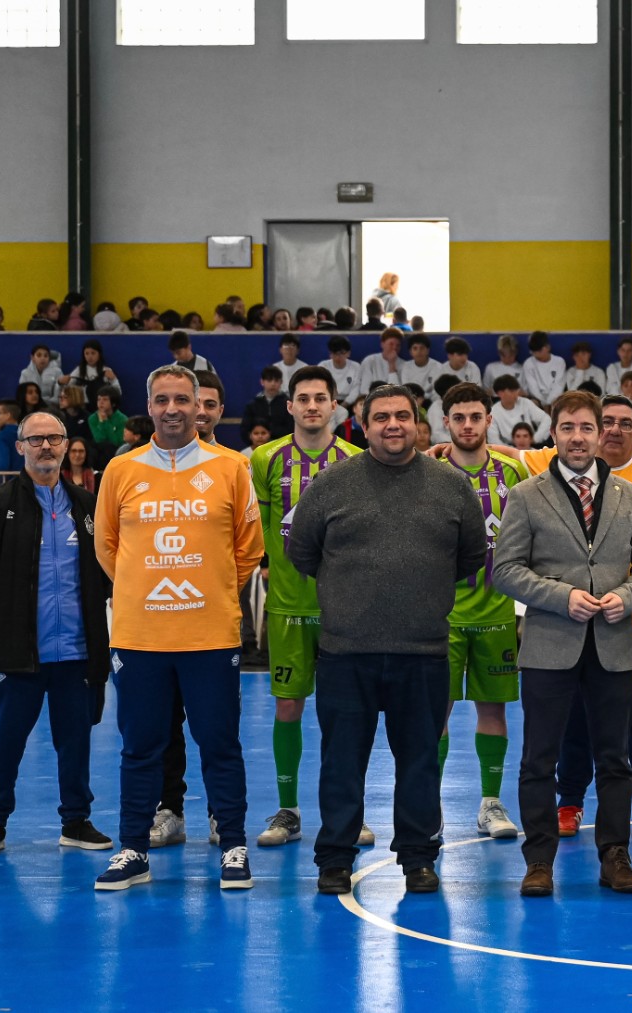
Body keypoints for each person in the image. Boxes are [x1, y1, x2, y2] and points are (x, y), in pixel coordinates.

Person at [288, 385, 485, 895]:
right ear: (363, 423)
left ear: (419, 424)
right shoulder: (332, 484)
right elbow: (302, 551)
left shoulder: (451, 486)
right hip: (344, 653)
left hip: (422, 653)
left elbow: (469, 557)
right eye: (381, 417)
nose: (392, 425)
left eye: (402, 416)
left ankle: (419, 858)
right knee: (341, 762)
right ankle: (334, 857)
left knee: (419, 761)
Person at [93, 364, 264, 891]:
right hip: (139, 636)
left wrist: (209, 589)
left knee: (220, 744)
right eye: (162, 400)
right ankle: (133, 850)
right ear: (149, 407)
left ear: (200, 407)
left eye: (182, 400)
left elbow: (248, 547)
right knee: (139, 746)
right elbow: (106, 547)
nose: (172, 409)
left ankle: (233, 846)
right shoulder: (121, 470)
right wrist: (147, 588)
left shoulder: (232, 466)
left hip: (209, 635)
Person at [492, 390, 632, 897]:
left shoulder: (630, 496)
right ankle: (539, 861)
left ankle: (615, 855)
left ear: (600, 434)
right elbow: (505, 571)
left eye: (587, 428)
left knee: (615, 758)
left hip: (613, 644)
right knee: (539, 758)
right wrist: (562, 596)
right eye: (568, 428)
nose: (579, 437)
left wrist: (626, 597)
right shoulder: (526, 495)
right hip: (549, 642)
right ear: (554, 434)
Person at [0, 411, 114, 858]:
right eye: (36, 439)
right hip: (15, 653)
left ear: (66, 446)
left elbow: (105, 571)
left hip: (77, 652)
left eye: (54, 438)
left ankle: (76, 820)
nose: (46, 446)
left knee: (76, 739)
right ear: (20, 446)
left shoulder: (85, 504)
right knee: (5, 740)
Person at [246, 367, 367, 849]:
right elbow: (255, 533)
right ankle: (288, 810)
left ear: (334, 405)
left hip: (348, 611)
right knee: (289, 705)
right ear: (290, 406)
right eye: (303, 398)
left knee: (348, 712)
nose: (312, 406)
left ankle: (347, 813)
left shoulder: (359, 461)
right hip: (289, 607)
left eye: (321, 397)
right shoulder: (265, 458)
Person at [439, 384, 530, 840]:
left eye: (476, 416)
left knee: (492, 710)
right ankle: (428, 805)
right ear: (446, 422)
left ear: (489, 421)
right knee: (435, 712)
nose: (468, 425)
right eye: (459, 417)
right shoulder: (428, 471)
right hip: (440, 616)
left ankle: (491, 803)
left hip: (496, 612)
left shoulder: (514, 472)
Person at [488, 375, 551, 446]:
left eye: (516, 390)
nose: (516, 394)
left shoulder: (525, 403)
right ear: (500, 393)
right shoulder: (493, 412)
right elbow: (493, 440)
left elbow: (547, 419)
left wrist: (535, 439)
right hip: (507, 449)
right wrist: (512, 451)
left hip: (531, 445)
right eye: (512, 391)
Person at [244, 367, 294, 443]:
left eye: (276, 381)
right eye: (269, 380)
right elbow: (245, 430)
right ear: (262, 382)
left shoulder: (288, 404)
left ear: (281, 382)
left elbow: (291, 429)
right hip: (258, 447)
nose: (273, 384)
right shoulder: (252, 405)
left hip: (282, 445)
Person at [399, 333, 449, 403]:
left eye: (422, 348)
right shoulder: (405, 367)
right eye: (415, 348)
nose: (419, 351)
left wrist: (424, 400)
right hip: (410, 401)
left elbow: (436, 392)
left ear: (427, 350)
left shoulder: (438, 367)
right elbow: (407, 388)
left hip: (430, 402)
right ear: (410, 352)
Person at [522, 332, 566, 406]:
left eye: (539, 351)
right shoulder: (528, 363)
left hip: (555, 399)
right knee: (531, 404)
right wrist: (543, 403)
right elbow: (533, 387)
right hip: (537, 399)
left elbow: (559, 385)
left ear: (548, 347)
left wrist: (550, 403)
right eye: (533, 352)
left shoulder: (559, 362)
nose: (536, 354)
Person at [359, 328, 406, 395]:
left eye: (398, 345)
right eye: (391, 344)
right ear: (382, 344)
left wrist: (392, 365)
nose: (394, 348)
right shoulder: (370, 361)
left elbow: (397, 391)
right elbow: (364, 389)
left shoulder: (403, 364)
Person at [318, 335, 360, 408]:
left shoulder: (356, 367)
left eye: (341, 353)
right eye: (335, 353)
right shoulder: (323, 366)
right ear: (330, 354)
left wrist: (345, 404)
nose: (338, 357)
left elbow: (356, 390)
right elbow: (320, 387)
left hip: (349, 403)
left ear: (348, 353)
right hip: (328, 401)